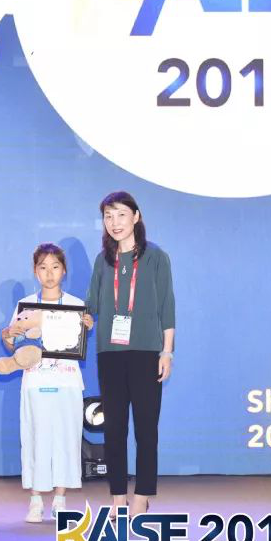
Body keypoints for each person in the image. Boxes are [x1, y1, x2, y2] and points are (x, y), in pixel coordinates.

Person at [83, 191, 175, 518]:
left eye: (121, 214)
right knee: (114, 430)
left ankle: (143, 495)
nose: (115, 222)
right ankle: (118, 497)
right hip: (110, 353)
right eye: (108, 216)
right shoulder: (102, 261)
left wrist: (167, 351)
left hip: (146, 352)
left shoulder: (156, 257)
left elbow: (167, 307)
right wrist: (74, 318)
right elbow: (91, 306)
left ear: (136, 216)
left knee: (146, 429)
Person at [1, 243, 85, 523]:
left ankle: (60, 499)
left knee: (65, 439)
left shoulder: (75, 305)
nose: (49, 273)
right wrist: (8, 334)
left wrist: (85, 327)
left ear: (64, 270)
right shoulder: (25, 305)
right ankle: (36, 500)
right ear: (35, 272)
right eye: (43, 267)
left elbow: (78, 341)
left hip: (67, 381)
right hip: (36, 381)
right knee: (35, 438)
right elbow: (12, 343)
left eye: (55, 267)